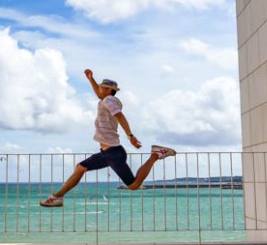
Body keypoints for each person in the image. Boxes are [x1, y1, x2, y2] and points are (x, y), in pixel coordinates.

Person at [40, 69, 176, 207]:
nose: (98, 89)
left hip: (113, 153)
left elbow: (120, 116)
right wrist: (90, 79)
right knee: (80, 168)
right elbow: (100, 96)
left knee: (134, 185)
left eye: (101, 87)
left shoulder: (109, 100)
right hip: (107, 153)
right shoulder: (106, 100)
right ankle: (57, 197)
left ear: (108, 90)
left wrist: (130, 136)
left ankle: (155, 155)